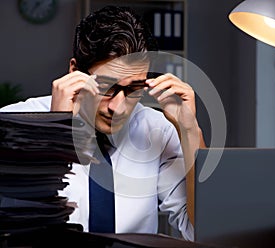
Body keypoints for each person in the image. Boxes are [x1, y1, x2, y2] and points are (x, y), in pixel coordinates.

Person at [0, 6, 206, 241]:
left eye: (133, 89)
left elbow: (199, 231)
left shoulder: (157, 130)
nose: (118, 108)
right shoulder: (14, 123)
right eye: (106, 88)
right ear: (75, 71)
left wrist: (190, 131)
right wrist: (55, 128)